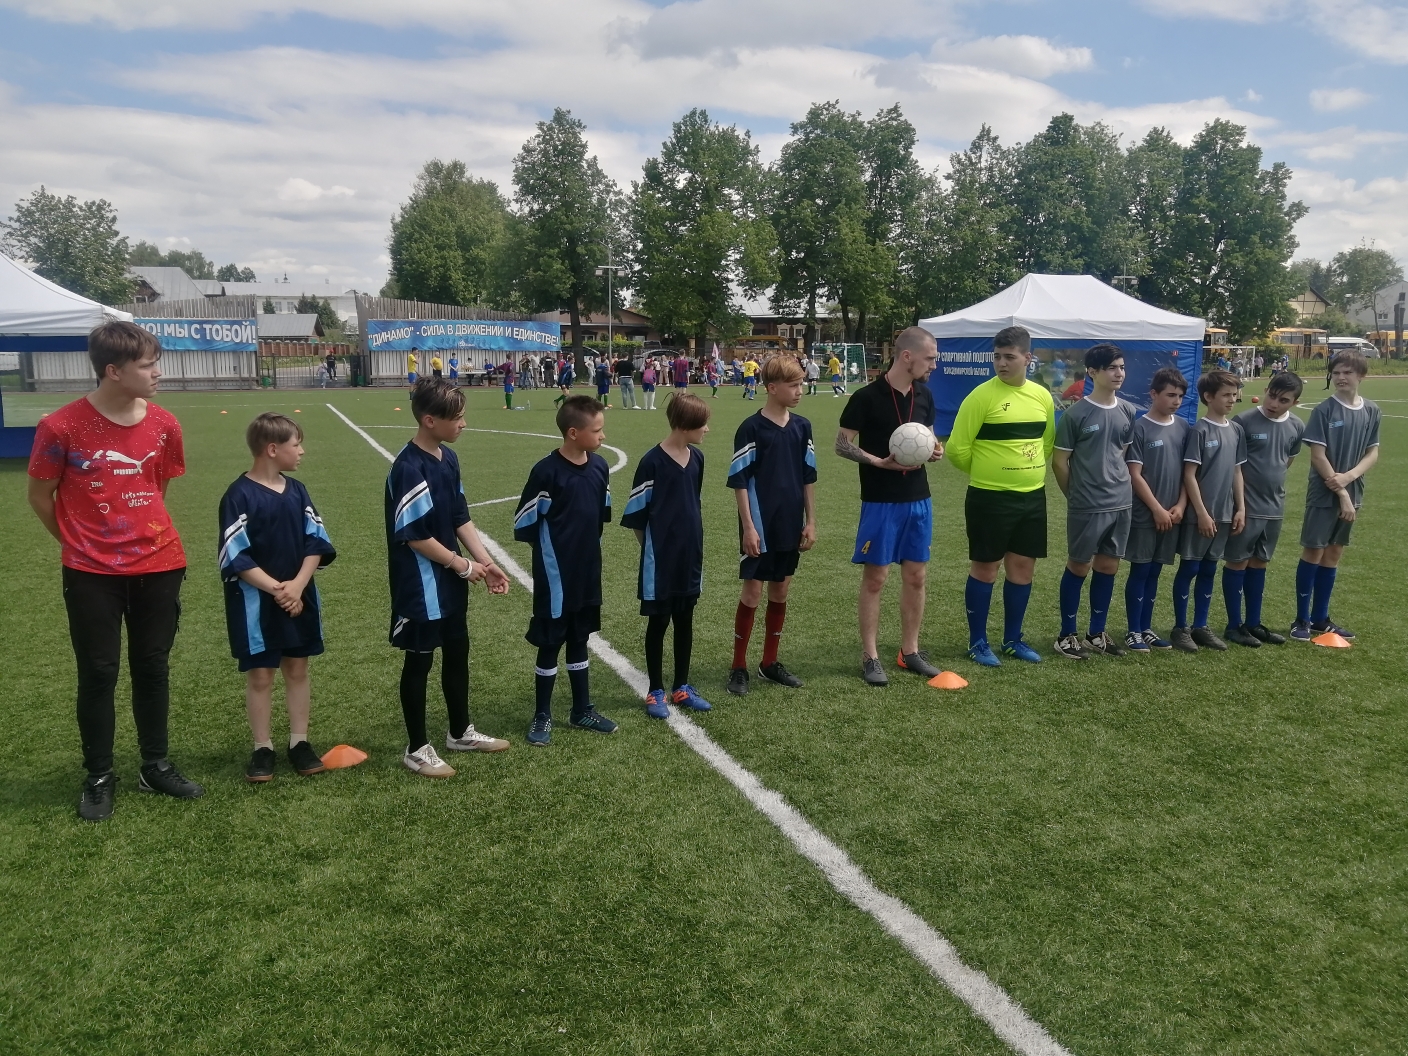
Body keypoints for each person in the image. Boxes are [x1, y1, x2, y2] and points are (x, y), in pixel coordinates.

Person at [26, 320, 202, 822]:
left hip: (160, 563)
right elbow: (39, 496)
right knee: (99, 671)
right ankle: (99, 775)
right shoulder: (60, 426)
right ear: (113, 371)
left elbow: (156, 488)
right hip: (90, 572)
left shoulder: (165, 424)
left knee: (152, 666)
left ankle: (155, 766)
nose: (158, 373)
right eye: (147, 365)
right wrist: (78, 544)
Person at [386, 380, 512, 778]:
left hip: (450, 583)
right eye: (456, 418)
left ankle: (460, 732)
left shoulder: (448, 458)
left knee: (457, 653)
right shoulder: (408, 468)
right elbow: (415, 536)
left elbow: (460, 516)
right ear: (429, 420)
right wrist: (461, 565)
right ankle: (416, 748)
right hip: (420, 586)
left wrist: (485, 562)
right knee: (419, 662)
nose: (463, 424)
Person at [219, 413, 337, 782]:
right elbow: (236, 556)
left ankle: (299, 742)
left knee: (298, 669)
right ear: (272, 449)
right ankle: (262, 747)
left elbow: (316, 542)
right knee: (260, 675)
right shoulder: (238, 495)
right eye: (295, 444)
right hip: (256, 604)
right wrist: (279, 590)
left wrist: (298, 585)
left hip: (300, 598)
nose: (301, 451)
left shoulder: (298, 491)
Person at [834, 328, 944, 685]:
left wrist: (935, 449)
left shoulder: (925, 395)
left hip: (919, 498)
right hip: (880, 500)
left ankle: (910, 651)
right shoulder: (867, 397)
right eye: (930, 358)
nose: (934, 365)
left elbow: (927, 435)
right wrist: (877, 462)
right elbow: (841, 444)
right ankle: (870, 656)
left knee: (916, 576)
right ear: (907, 356)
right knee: (876, 578)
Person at [945, 325, 1055, 667]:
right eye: (997, 357)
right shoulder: (980, 397)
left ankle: (1012, 640)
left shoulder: (1042, 397)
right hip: (989, 498)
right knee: (986, 568)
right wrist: (989, 472)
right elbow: (957, 449)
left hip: (1032, 498)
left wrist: (1025, 470)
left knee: (1022, 569)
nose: (1002, 363)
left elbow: (1046, 442)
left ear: (1028, 358)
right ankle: (978, 642)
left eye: (1009, 357)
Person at [513, 395, 618, 745]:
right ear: (573, 433)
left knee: (580, 637)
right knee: (550, 641)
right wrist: (552, 556)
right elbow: (524, 522)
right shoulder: (546, 472)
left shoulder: (600, 467)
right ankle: (542, 714)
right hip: (556, 576)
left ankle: (581, 709)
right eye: (597, 430)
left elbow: (601, 514)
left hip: (588, 571)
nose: (603, 436)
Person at [725, 356, 817, 695]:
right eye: (793, 385)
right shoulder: (751, 428)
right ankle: (738, 666)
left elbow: (808, 477)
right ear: (772, 388)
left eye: (801, 384)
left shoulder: (802, 426)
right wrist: (748, 527)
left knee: (780, 590)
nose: (800, 390)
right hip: (760, 525)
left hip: (790, 523)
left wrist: (811, 521)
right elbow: (739, 481)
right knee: (752, 592)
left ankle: (769, 662)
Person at [622, 393, 713, 717]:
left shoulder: (697, 459)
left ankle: (682, 687)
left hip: (690, 556)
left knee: (685, 619)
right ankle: (656, 690)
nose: (707, 429)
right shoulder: (652, 462)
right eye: (703, 424)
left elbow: (692, 502)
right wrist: (654, 550)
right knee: (659, 621)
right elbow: (636, 516)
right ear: (685, 425)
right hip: (660, 561)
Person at [1051, 344, 1139, 660]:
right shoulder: (1076, 414)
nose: (1119, 373)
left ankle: (1096, 633)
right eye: (1112, 367)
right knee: (1079, 565)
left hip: (1121, 502)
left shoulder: (1128, 410)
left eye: (1122, 367)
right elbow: (1060, 462)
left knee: (1108, 565)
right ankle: (1066, 635)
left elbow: (1121, 454)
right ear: (1092, 372)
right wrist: (1075, 496)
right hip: (1087, 505)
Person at [1293, 351, 1380, 641]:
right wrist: (1341, 490)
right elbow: (1318, 456)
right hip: (1325, 493)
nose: (1341, 377)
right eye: (1336, 372)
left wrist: (1349, 478)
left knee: (1334, 552)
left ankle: (1321, 619)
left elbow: (1372, 452)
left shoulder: (1371, 410)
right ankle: (1301, 620)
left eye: (1347, 372)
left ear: (1361, 376)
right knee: (1314, 551)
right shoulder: (1324, 410)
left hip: (1352, 489)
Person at [1221, 372, 1305, 647]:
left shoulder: (1296, 426)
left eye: (1283, 400)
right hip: (1245, 507)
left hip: (1274, 507)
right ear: (1266, 390)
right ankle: (1234, 626)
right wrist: (1239, 504)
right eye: (1272, 396)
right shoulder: (1243, 421)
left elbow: (1287, 461)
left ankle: (1253, 623)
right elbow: (1232, 466)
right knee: (1237, 562)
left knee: (1260, 562)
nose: (1274, 403)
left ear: (1294, 402)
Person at [1168, 370, 1247, 653]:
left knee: (1210, 569)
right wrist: (1201, 512)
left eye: (1234, 394)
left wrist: (1241, 508)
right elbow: (1189, 474)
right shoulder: (1199, 431)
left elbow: (1237, 471)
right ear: (1208, 397)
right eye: (1226, 395)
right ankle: (1181, 628)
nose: (1232, 399)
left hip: (1225, 515)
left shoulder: (1236, 430)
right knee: (1190, 567)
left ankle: (1200, 626)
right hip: (1200, 516)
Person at [1122, 367, 1190, 652]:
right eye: (1170, 395)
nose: (1176, 401)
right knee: (1140, 570)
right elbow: (1134, 474)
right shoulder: (1139, 427)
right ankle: (1133, 631)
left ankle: (1146, 628)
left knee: (1155, 572)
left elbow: (1189, 473)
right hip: (1146, 514)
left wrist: (1181, 505)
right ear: (1153, 394)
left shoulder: (1184, 427)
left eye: (1180, 396)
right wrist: (1157, 509)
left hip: (1173, 514)